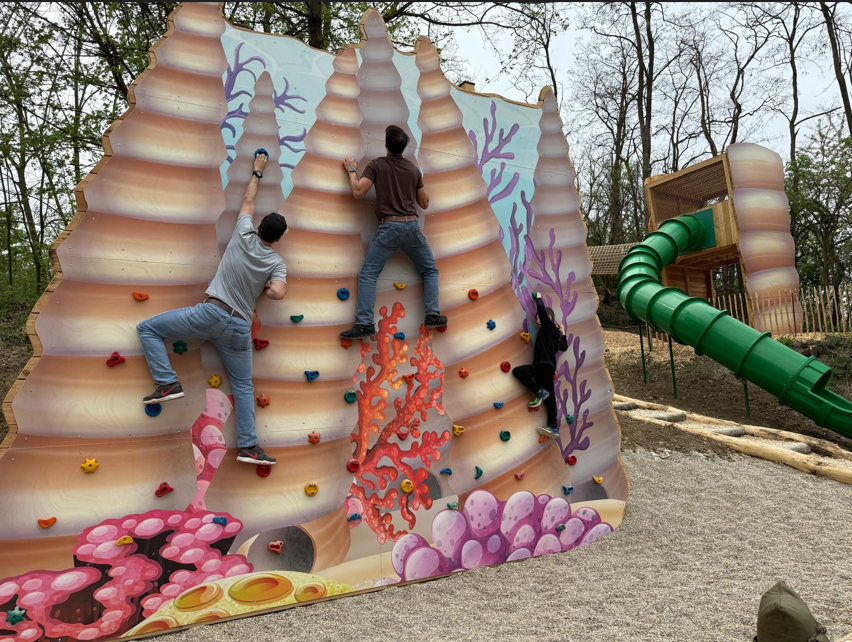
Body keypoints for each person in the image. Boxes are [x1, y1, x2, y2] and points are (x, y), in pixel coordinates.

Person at [136, 150, 286, 466]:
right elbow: (277, 293)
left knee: (147, 328)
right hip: (239, 327)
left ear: (259, 228)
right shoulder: (276, 262)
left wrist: (257, 170)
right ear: (278, 239)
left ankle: (167, 382)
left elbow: (248, 201)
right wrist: (269, 288)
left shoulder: (244, 233)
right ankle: (248, 447)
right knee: (244, 387)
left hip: (211, 313)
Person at [339, 125, 447, 340]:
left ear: (386, 145)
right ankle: (433, 315)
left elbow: (358, 192)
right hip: (412, 227)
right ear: (403, 147)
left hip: (389, 228)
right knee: (430, 271)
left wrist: (351, 170)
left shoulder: (377, 165)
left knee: (369, 274)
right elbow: (424, 203)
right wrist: (415, 182)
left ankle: (364, 324)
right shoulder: (413, 170)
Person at [512, 291, 568, 439]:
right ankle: (553, 427)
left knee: (518, 371)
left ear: (548, 318)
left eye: (538, 318)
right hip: (549, 369)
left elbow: (542, 310)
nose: (537, 321)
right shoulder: (555, 334)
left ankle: (538, 392)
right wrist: (563, 333)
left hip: (542, 365)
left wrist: (538, 298)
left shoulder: (548, 326)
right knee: (551, 399)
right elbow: (564, 346)